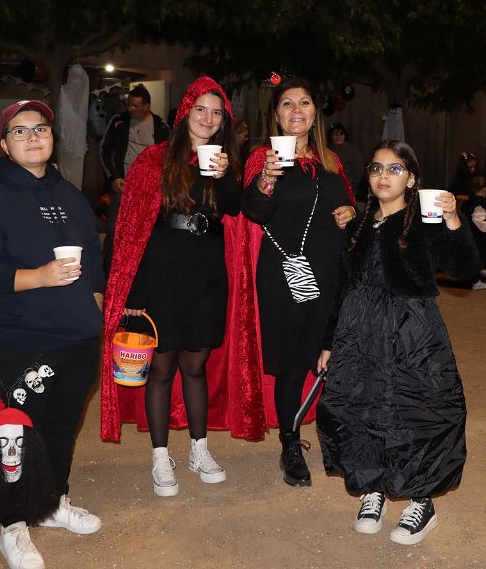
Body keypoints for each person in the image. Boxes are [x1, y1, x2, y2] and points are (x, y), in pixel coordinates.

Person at [0, 99, 105, 569]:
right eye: (20, 131)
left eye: (40, 128)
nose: (32, 137)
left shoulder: (70, 195)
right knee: (15, 433)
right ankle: (13, 524)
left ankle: (52, 502)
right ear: (3, 144)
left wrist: (95, 301)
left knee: (61, 426)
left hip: (76, 337)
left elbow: (94, 255)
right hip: (16, 337)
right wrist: (37, 277)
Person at [316, 139, 476, 545]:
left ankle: (421, 500)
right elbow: (342, 287)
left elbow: (465, 267)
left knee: (418, 410)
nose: (383, 176)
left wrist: (453, 219)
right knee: (363, 407)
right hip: (359, 331)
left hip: (412, 330)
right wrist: (330, 342)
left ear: (412, 179)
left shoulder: (424, 222)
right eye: (376, 168)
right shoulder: (357, 226)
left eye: (394, 169)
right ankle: (373, 488)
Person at [99, 76, 241, 498]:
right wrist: (134, 294)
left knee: (195, 366)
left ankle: (199, 449)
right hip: (162, 272)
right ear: (185, 112)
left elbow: (235, 209)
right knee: (161, 368)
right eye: (201, 109)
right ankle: (160, 456)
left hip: (206, 273)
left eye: (216, 112)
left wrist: (224, 175)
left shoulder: (225, 160)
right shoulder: (154, 159)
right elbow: (129, 228)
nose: (208, 118)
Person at [242, 76, 356, 487]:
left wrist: (350, 214)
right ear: (276, 114)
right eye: (287, 103)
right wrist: (268, 177)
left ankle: (336, 440)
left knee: (333, 359)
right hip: (283, 273)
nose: (296, 110)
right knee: (291, 363)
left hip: (329, 271)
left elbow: (346, 209)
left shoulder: (331, 161)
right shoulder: (262, 158)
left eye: (304, 102)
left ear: (314, 113)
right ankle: (290, 443)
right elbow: (254, 211)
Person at [100, 84, 170, 274]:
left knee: (147, 233)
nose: (130, 109)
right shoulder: (119, 122)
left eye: (135, 106)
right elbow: (104, 149)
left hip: (149, 191)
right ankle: (109, 272)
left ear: (147, 106)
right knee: (115, 232)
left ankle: (141, 272)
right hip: (123, 187)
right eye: (129, 104)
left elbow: (169, 158)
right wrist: (113, 177)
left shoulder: (161, 127)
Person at [327, 122, 365, 201]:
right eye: (335, 134)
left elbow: (358, 172)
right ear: (331, 136)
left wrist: (349, 186)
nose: (338, 137)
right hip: (329, 188)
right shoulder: (326, 150)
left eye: (341, 134)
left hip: (348, 188)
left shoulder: (353, 151)